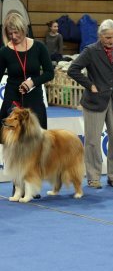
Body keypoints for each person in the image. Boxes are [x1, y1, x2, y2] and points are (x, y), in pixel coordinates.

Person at [68, 19, 113, 189]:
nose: (111, 41)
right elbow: (73, 69)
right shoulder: (91, 51)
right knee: (92, 141)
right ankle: (93, 177)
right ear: (100, 36)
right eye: (108, 38)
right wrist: (89, 84)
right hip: (94, 101)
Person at [0, 12, 54, 197]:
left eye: (16, 32)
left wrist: (33, 82)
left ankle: (33, 185)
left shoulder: (38, 47)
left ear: (24, 29)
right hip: (12, 101)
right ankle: (17, 186)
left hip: (34, 101)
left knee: (36, 146)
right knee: (12, 146)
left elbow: (49, 73)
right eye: (10, 33)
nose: (14, 37)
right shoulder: (4, 51)